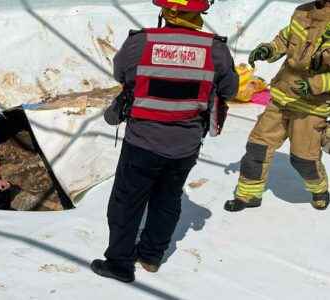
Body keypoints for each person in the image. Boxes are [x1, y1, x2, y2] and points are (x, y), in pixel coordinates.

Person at [91, 0, 238, 283]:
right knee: (167, 199)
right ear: (199, 14)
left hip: (142, 143)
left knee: (126, 202)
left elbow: (120, 73)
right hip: (185, 145)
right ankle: (151, 257)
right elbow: (229, 89)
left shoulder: (141, 42)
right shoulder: (216, 49)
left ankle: (120, 264)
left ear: (166, 11)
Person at [225, 0, 330, 212]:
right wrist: (269, 50)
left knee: (303, 159)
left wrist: (314, 85)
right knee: (258, 147)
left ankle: (320, 189)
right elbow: (285, 38)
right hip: (282, 95)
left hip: (312, 107)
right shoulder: (303, 12)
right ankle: (248, 194)